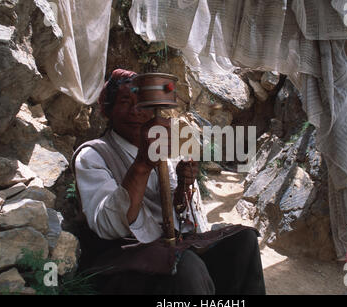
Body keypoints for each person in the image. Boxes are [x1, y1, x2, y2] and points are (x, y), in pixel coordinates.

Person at [71, 69, 266, 295]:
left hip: (170, 248)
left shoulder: (166, 150)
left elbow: (176, 213)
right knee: (186, 266)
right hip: (124, 261)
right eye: (125, 102)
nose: (136, 111)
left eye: (143, 103)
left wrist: (183, 187)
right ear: (109, 110)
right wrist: (142, 164)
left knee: (244, 240)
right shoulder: (93, 155)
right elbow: (109, 225)